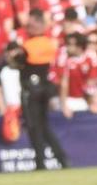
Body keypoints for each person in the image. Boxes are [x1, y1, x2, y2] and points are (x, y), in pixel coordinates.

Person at [18, 10, 70, 171]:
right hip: (47, 87)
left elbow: (19, 62)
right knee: (43, 125)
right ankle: (61, 158)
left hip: (32, 88)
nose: (28, 28)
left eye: (31, 25)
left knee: (34, 126)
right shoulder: (51, 44)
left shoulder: (28, 45)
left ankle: (40, 162)